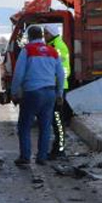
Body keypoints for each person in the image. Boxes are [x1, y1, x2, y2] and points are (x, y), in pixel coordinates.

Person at [9, 25, 66, 166]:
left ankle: (25, 156)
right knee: (45, 126)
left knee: (24, 126)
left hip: (32, 92)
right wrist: (59, 93)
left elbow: (19, 73)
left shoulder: (27, 50)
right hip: (49, 93)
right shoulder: (53, 51)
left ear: (29, 37)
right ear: (41, 36)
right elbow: (60, 74)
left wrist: (14, 92)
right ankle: (42, 157)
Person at [44, 26, 71, 158]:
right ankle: (57, 148)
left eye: (46, 33)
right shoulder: (51, 45)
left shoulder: (58, 47)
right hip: (54, 87)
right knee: (54, 119)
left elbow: (63, 70)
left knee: (58, 119)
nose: (44, 35)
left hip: (58, 88)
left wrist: (58, 88)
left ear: (52, 33)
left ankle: (60, 148)